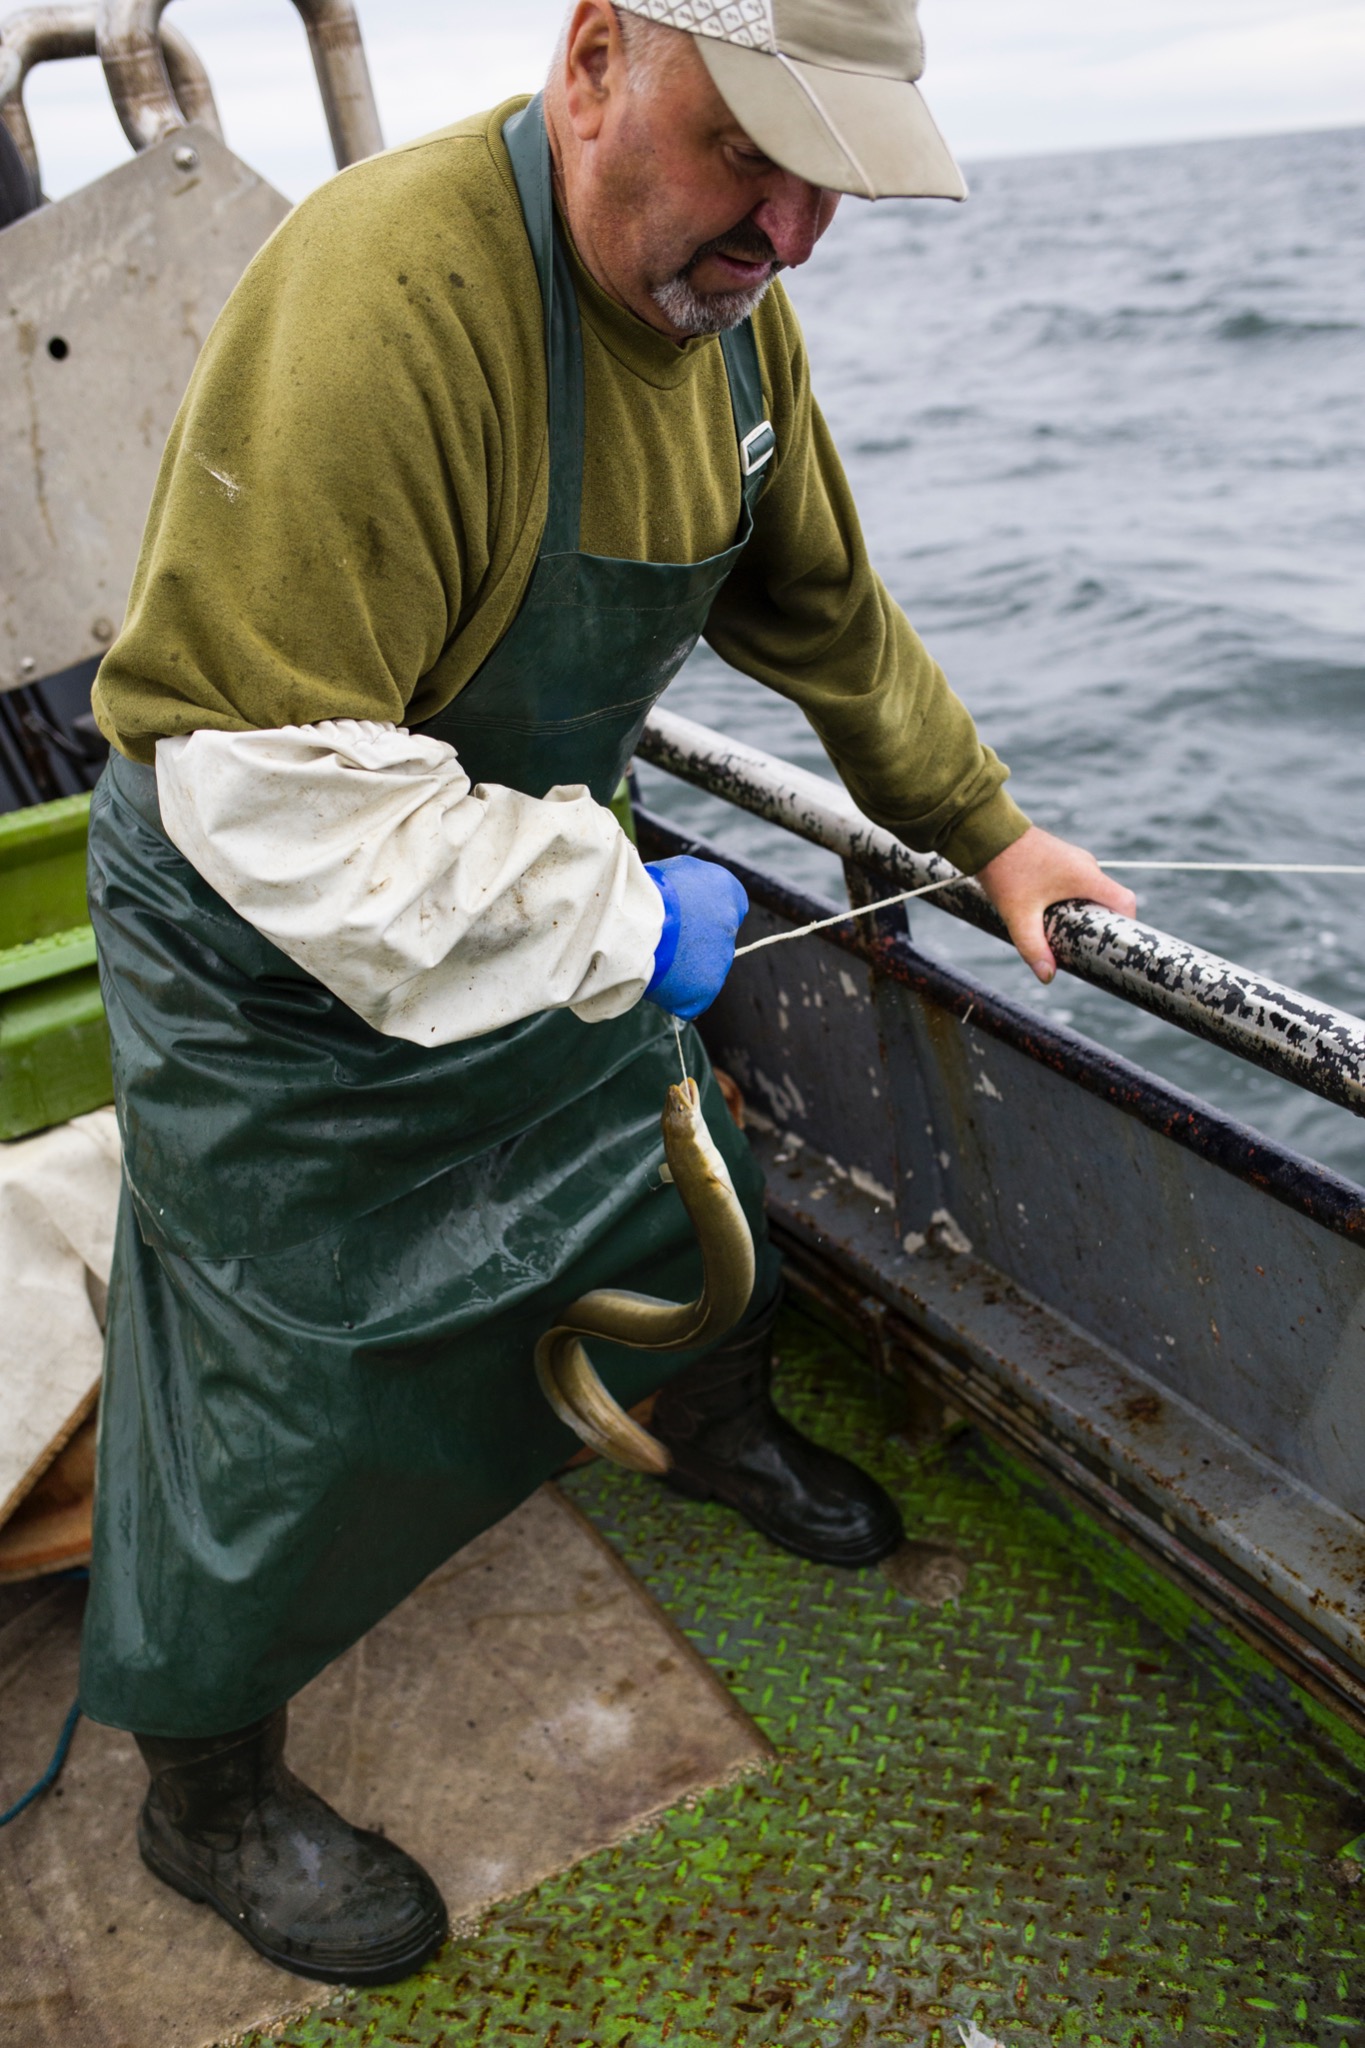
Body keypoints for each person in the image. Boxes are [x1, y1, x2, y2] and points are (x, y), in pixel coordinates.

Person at [81, 0, 1138, 1987]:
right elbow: (266, 780)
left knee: (666, 1173)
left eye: (827, 180)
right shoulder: (388, 300)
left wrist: (983, 830)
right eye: (747, 151)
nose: (786, 232)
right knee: (262, 1365)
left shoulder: (733, 326)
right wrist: (604, 906)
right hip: (266, 919)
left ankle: (698, 1418)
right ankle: (202, 1778)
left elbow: (819, 605)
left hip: (535, 875)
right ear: (589, 64)